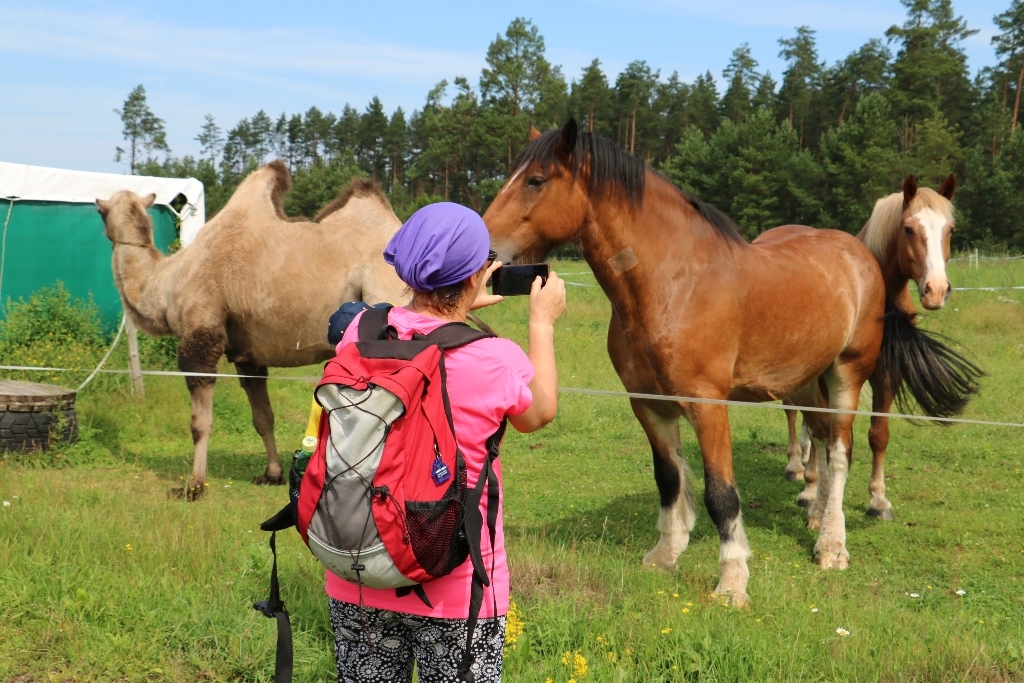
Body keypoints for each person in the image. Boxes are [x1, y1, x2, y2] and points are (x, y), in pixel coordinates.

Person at [326, 202, 566, 683]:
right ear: (478, 274)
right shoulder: (495, 359)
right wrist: (541, 323)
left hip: (357, 569)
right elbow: (538, 413)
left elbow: (404, 325)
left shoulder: (360, 333)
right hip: (459, 586)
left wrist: (449, 306)